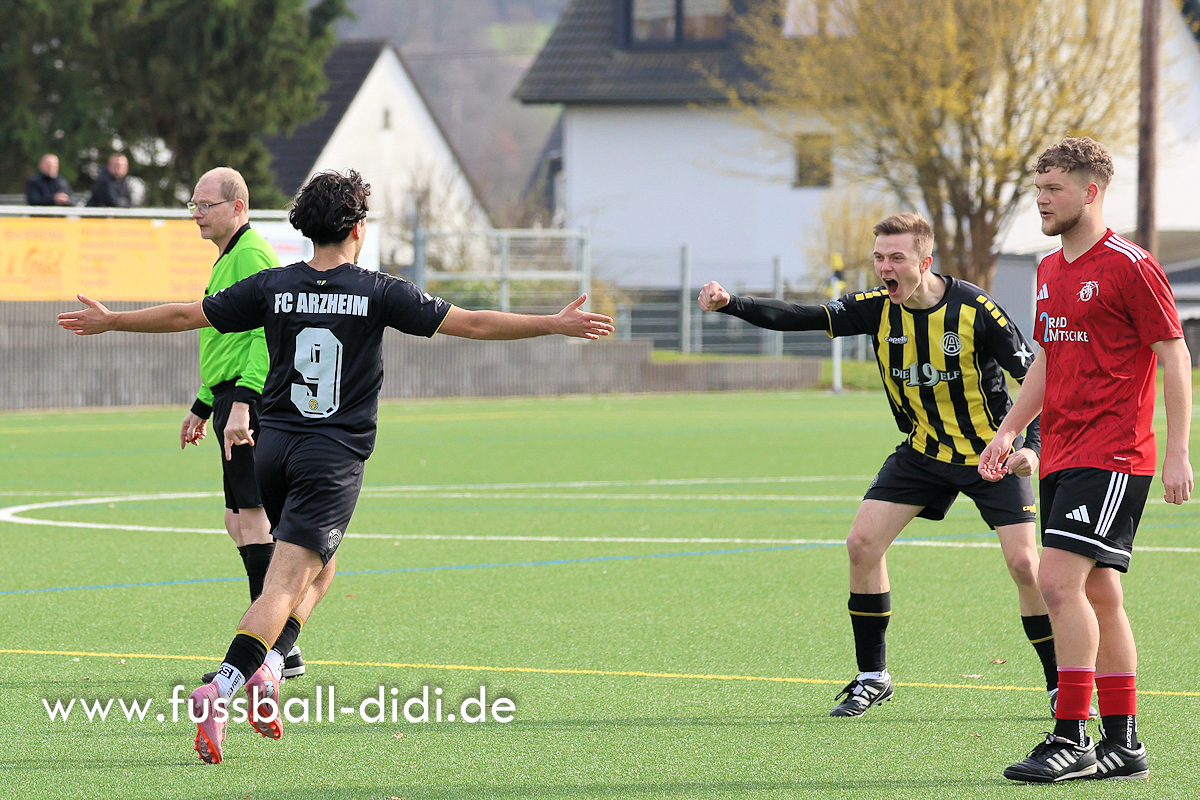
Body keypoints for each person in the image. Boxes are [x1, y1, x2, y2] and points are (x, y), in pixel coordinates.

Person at [57, 169, 615, 764]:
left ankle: (271, 666)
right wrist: (553, 323)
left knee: (320, 570)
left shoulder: (274, 285)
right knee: (284, 585)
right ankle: (221, 688)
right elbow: (473, 323)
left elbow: (185, 316)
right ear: (357, 228)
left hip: (274, 450)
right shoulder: (378, 291)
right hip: (330, 458)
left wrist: (113, 320)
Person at [698, 213, 1060, 718]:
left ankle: (1060, 685)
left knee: (1025, 566)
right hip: (923, 453)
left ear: (924, 263)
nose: (885, 268)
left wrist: (1033, 449)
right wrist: (731, 303)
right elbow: (800, 316)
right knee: (862, 544)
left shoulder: (977, 310)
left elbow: (1042, 382)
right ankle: (873, 677)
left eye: (896, 258)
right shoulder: (875, 307)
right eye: (879, 258)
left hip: (990, 455)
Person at [980, 138, 1192, 783]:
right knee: (1099, 592)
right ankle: (1124, 745)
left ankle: (1071, 735)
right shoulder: (1049, 268)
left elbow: (1174, 353)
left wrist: (1178, 451)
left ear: (1090, 191)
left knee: (1057, 584)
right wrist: (1009, 430)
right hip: (1062, 452)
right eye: (1038, 189)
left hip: (1114, 452)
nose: (1041, 200)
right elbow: (1047, 359)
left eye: (1054, 190)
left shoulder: (1131, 265)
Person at [177, 167, 305, 686]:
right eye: (193, 204)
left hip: (249, 400)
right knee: (238, 521)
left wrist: (243, 403)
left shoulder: (251, 255)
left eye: (205, 204)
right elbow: (225, 341)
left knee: (253, 521)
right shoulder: (229, 256)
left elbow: (262, 339)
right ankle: (276, 647)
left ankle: (271, 652)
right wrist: (204, 403)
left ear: (238, 207)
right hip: (230, 396)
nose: (197, 214)